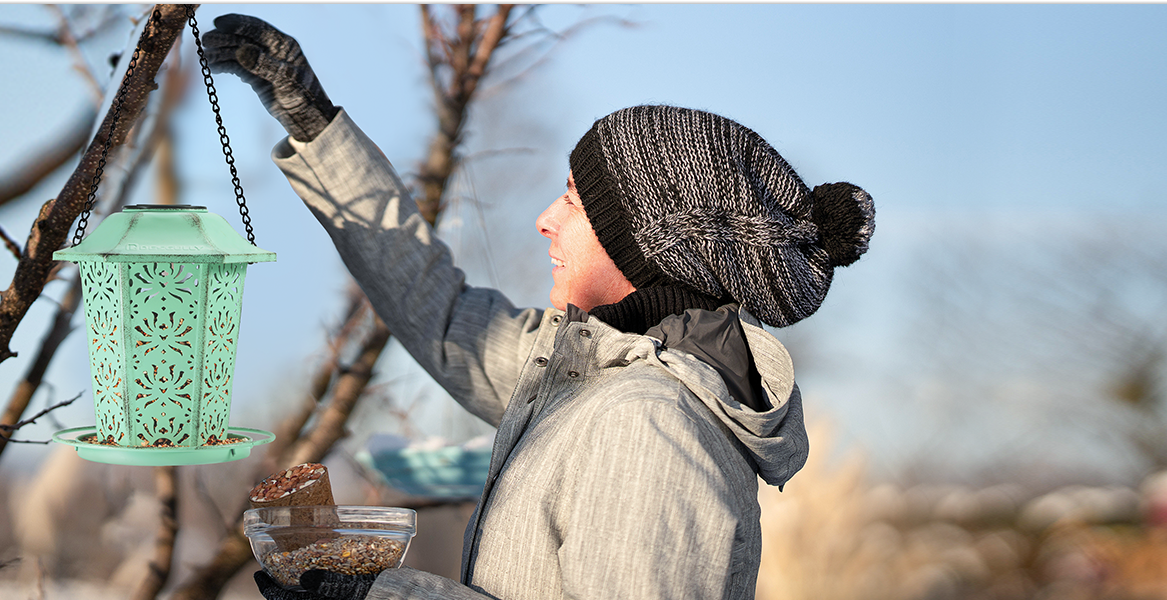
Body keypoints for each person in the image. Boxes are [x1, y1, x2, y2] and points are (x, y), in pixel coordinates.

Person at [204, 14, 875, 600]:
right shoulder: (593, 382)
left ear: (647, 252)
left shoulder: (650, 427)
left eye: (575, 203)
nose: (544, 219)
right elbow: (440, 313)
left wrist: (380, 596)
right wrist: (315, 125)